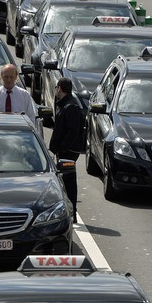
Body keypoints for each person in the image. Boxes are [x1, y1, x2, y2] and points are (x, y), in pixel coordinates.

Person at [49, 77, 85, 217]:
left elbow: (73, 131)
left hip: (68, 152)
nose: (55, 90)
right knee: (65, 181)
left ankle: (72, 213)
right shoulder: (65, 104)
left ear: (60, 88)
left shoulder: (70, 107)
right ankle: (70, 212)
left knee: (69, 182)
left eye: (56, 87)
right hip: (65, 151)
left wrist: (62, 148)